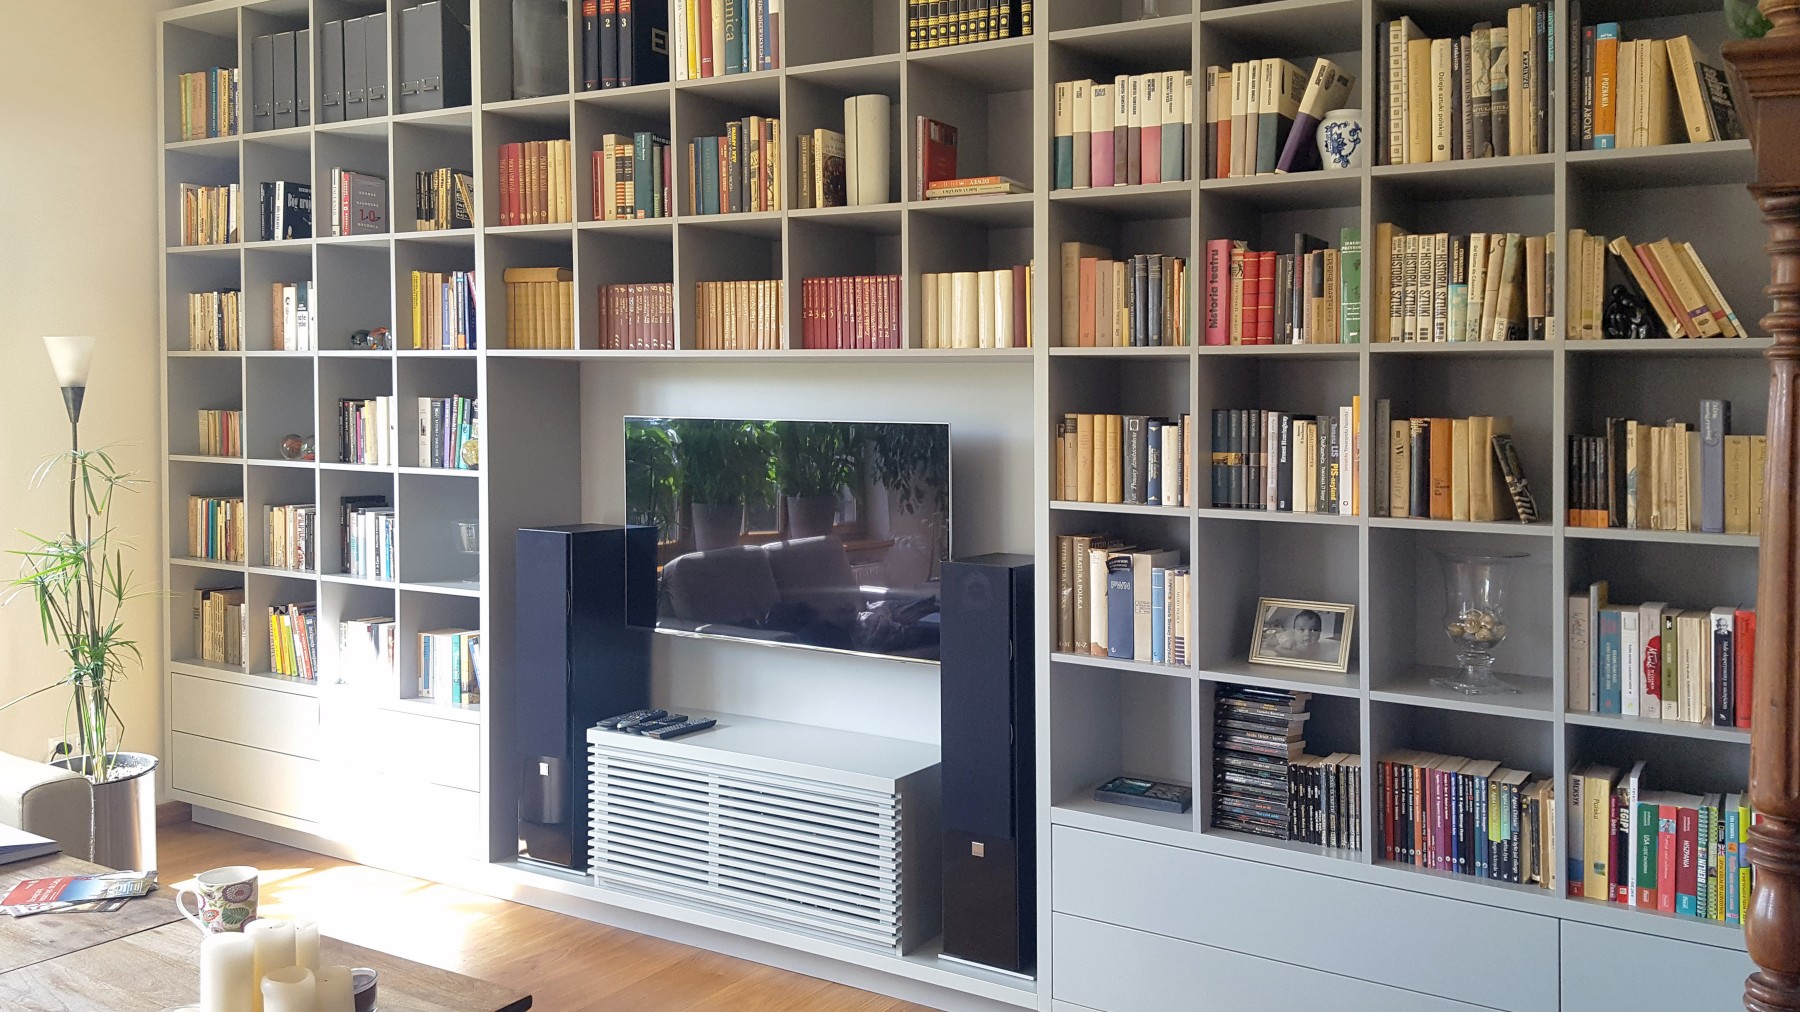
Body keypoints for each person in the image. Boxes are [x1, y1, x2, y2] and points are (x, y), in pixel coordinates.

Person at [1263, 608, 1338, 664]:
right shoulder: (1291, 642)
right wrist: (1292, 654)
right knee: (1270, 642)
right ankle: (1278, 629)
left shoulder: (1317, 646)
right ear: (1295, 630)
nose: (1307, 634)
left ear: (1320, 632)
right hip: (1286, 636)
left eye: (1314, 630)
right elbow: (1277, 648)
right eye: (1302, 629)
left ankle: (1282, 629)